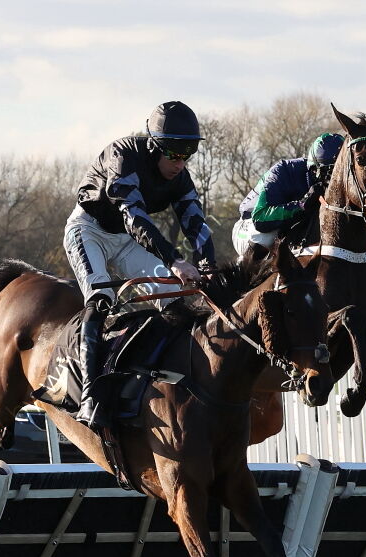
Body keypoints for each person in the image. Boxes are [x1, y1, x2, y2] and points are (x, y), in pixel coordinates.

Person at [63, 100, 216, 431]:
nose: (180, 163)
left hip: (125, 241)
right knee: (101, 298)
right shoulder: (124, 156)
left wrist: (208, 266)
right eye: (174, 154)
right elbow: (135, 219)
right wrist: (175, 260)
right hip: (88, 229)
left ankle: (153, 380)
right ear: (154, 146)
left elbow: (196, 223)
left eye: (187, 154)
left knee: (172, 298)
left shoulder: (180, 176)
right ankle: (90, 398)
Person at [232, 132, 345, 269]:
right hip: (250, 225)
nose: (334, 179)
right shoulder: (283, 171)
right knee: (267, 236)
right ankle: (241, 276)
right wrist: (301, 205)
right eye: (331, 172)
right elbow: (260, 219)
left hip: (290, 230)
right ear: (314, 169)